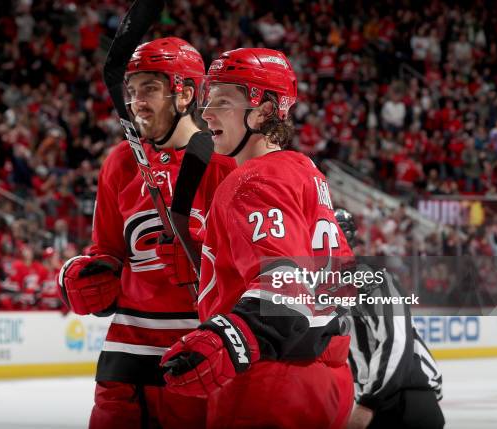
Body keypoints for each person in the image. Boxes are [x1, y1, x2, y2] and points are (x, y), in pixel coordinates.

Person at [161, 48, 354, 429]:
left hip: (269, 385)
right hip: (328, 380)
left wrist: (228, 338)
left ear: (264, 111)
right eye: (207, 100)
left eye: (223, 102)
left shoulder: (250, 179)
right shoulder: (306, 170)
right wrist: (216, 259)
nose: (207, 113)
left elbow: (285, 287)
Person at [57, 37, 235, 429]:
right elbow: (106, 248)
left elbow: (247, 268)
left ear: (185, 95)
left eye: (150, 89)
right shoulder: (121, 162)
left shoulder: (223, 166)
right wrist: (86, 272)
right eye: (133, 90)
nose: (137, 100)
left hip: (197, 354)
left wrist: (203, 257)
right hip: (125, 355)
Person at [334, 208, 445, 429]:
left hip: (401, 400)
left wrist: (368, 403)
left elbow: (396, 339)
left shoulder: (367, 277)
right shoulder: (321, 286)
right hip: (382, 400)